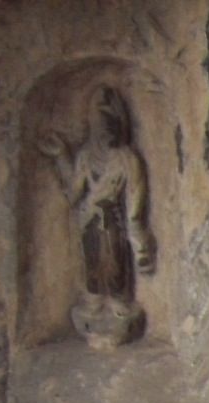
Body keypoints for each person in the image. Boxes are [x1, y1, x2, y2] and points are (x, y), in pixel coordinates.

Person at [41, 85, 155, 347]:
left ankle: (117, 299)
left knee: (115, 261)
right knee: (93, 261)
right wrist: (60, 156)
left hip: (113, 221)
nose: (104, 128)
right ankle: (94, 298)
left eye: (109, 121)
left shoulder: (127, 158)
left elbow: (135, 204)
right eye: (99, 121)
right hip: (90, 221)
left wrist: (138, 238)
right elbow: (73, 194)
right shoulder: (85, 157)